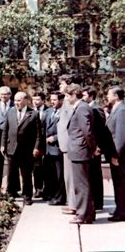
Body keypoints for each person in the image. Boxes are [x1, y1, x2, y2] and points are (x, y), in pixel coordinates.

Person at [1, 91, 43, 205]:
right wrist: (3, 144)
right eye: (15, 100)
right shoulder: (11, 111)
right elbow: (5, 129)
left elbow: (39, 134)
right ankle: (10, 193)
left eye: (18, 100)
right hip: (11, 148)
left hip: (26, 150)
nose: (16, 103)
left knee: (26, 175)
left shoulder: (33, 114)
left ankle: (27, 196)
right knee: (11, 173)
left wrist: (36, 148)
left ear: (25, 101)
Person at [82, 86, 118, 210]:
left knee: (95, 175)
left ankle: (98, 202)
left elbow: (99, 130)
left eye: (85, 95)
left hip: (95, 148)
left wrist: (97, 146)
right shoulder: (89, 108)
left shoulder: (96, 109)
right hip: (90, 147)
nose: (83, 97)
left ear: (91, 96)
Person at [65, 84, 96, 224]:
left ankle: (82, 214)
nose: (65, 99)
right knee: (83, 184)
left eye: (66, 95)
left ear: (73, 95)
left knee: (81, 185)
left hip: (80, 151)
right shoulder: (80, 107)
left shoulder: (82, 108)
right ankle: (88, 214)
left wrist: (92, 147)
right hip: (79, 151)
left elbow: (87, 131)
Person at [57, 75, 77, 215]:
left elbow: (71, 123)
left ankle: (74, 205)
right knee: (68, 177)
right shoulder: (65, 100)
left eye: (61, 85)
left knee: (71, 177)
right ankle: (72, 204)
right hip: (65, 145)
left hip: (70, 145)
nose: (60, 87)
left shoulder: (70, 101)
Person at [43, 91, 66, 205]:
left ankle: (60, 198)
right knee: (50, 175)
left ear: (61, 100)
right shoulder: (48, 111)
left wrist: (56, 137)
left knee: (59, 175)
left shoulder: (65, 112)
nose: (52, 102)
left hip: (58, 147)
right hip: (48, 149)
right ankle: (52, 195)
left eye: (55, 100)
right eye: (51, 100)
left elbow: (67, 129)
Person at [106, 86, 125, 222]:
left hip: (120, 156)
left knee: (121, 185)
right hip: (115, 154)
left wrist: (116, 155)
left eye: (109, 94)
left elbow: (121, 136)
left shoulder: (122, 111)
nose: (107, 96)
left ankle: (122, 212)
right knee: (118, 184)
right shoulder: (116, 109)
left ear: (116, 96)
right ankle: (120, 209)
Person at [32, 91, 51, 199]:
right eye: (34, 99)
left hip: (47, 143)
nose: (35, 102)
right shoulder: (30, 111)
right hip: (35, 144)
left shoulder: (49, 111)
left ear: (43, 101)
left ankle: (48, 189)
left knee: (48, 168)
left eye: (38, 100)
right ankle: (38, 189)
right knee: (37, 168)